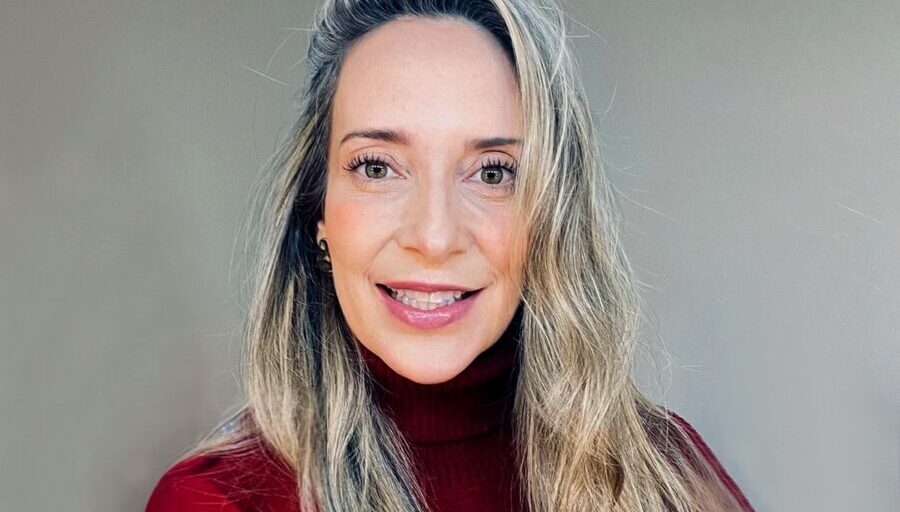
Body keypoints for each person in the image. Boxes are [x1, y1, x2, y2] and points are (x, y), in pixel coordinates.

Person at [146, 0, 755, 510]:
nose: (435, 238)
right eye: (377, 167)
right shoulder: (215, 501)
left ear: (550, 216)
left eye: (493, 172)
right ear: (319, 213)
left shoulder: (665, 481)